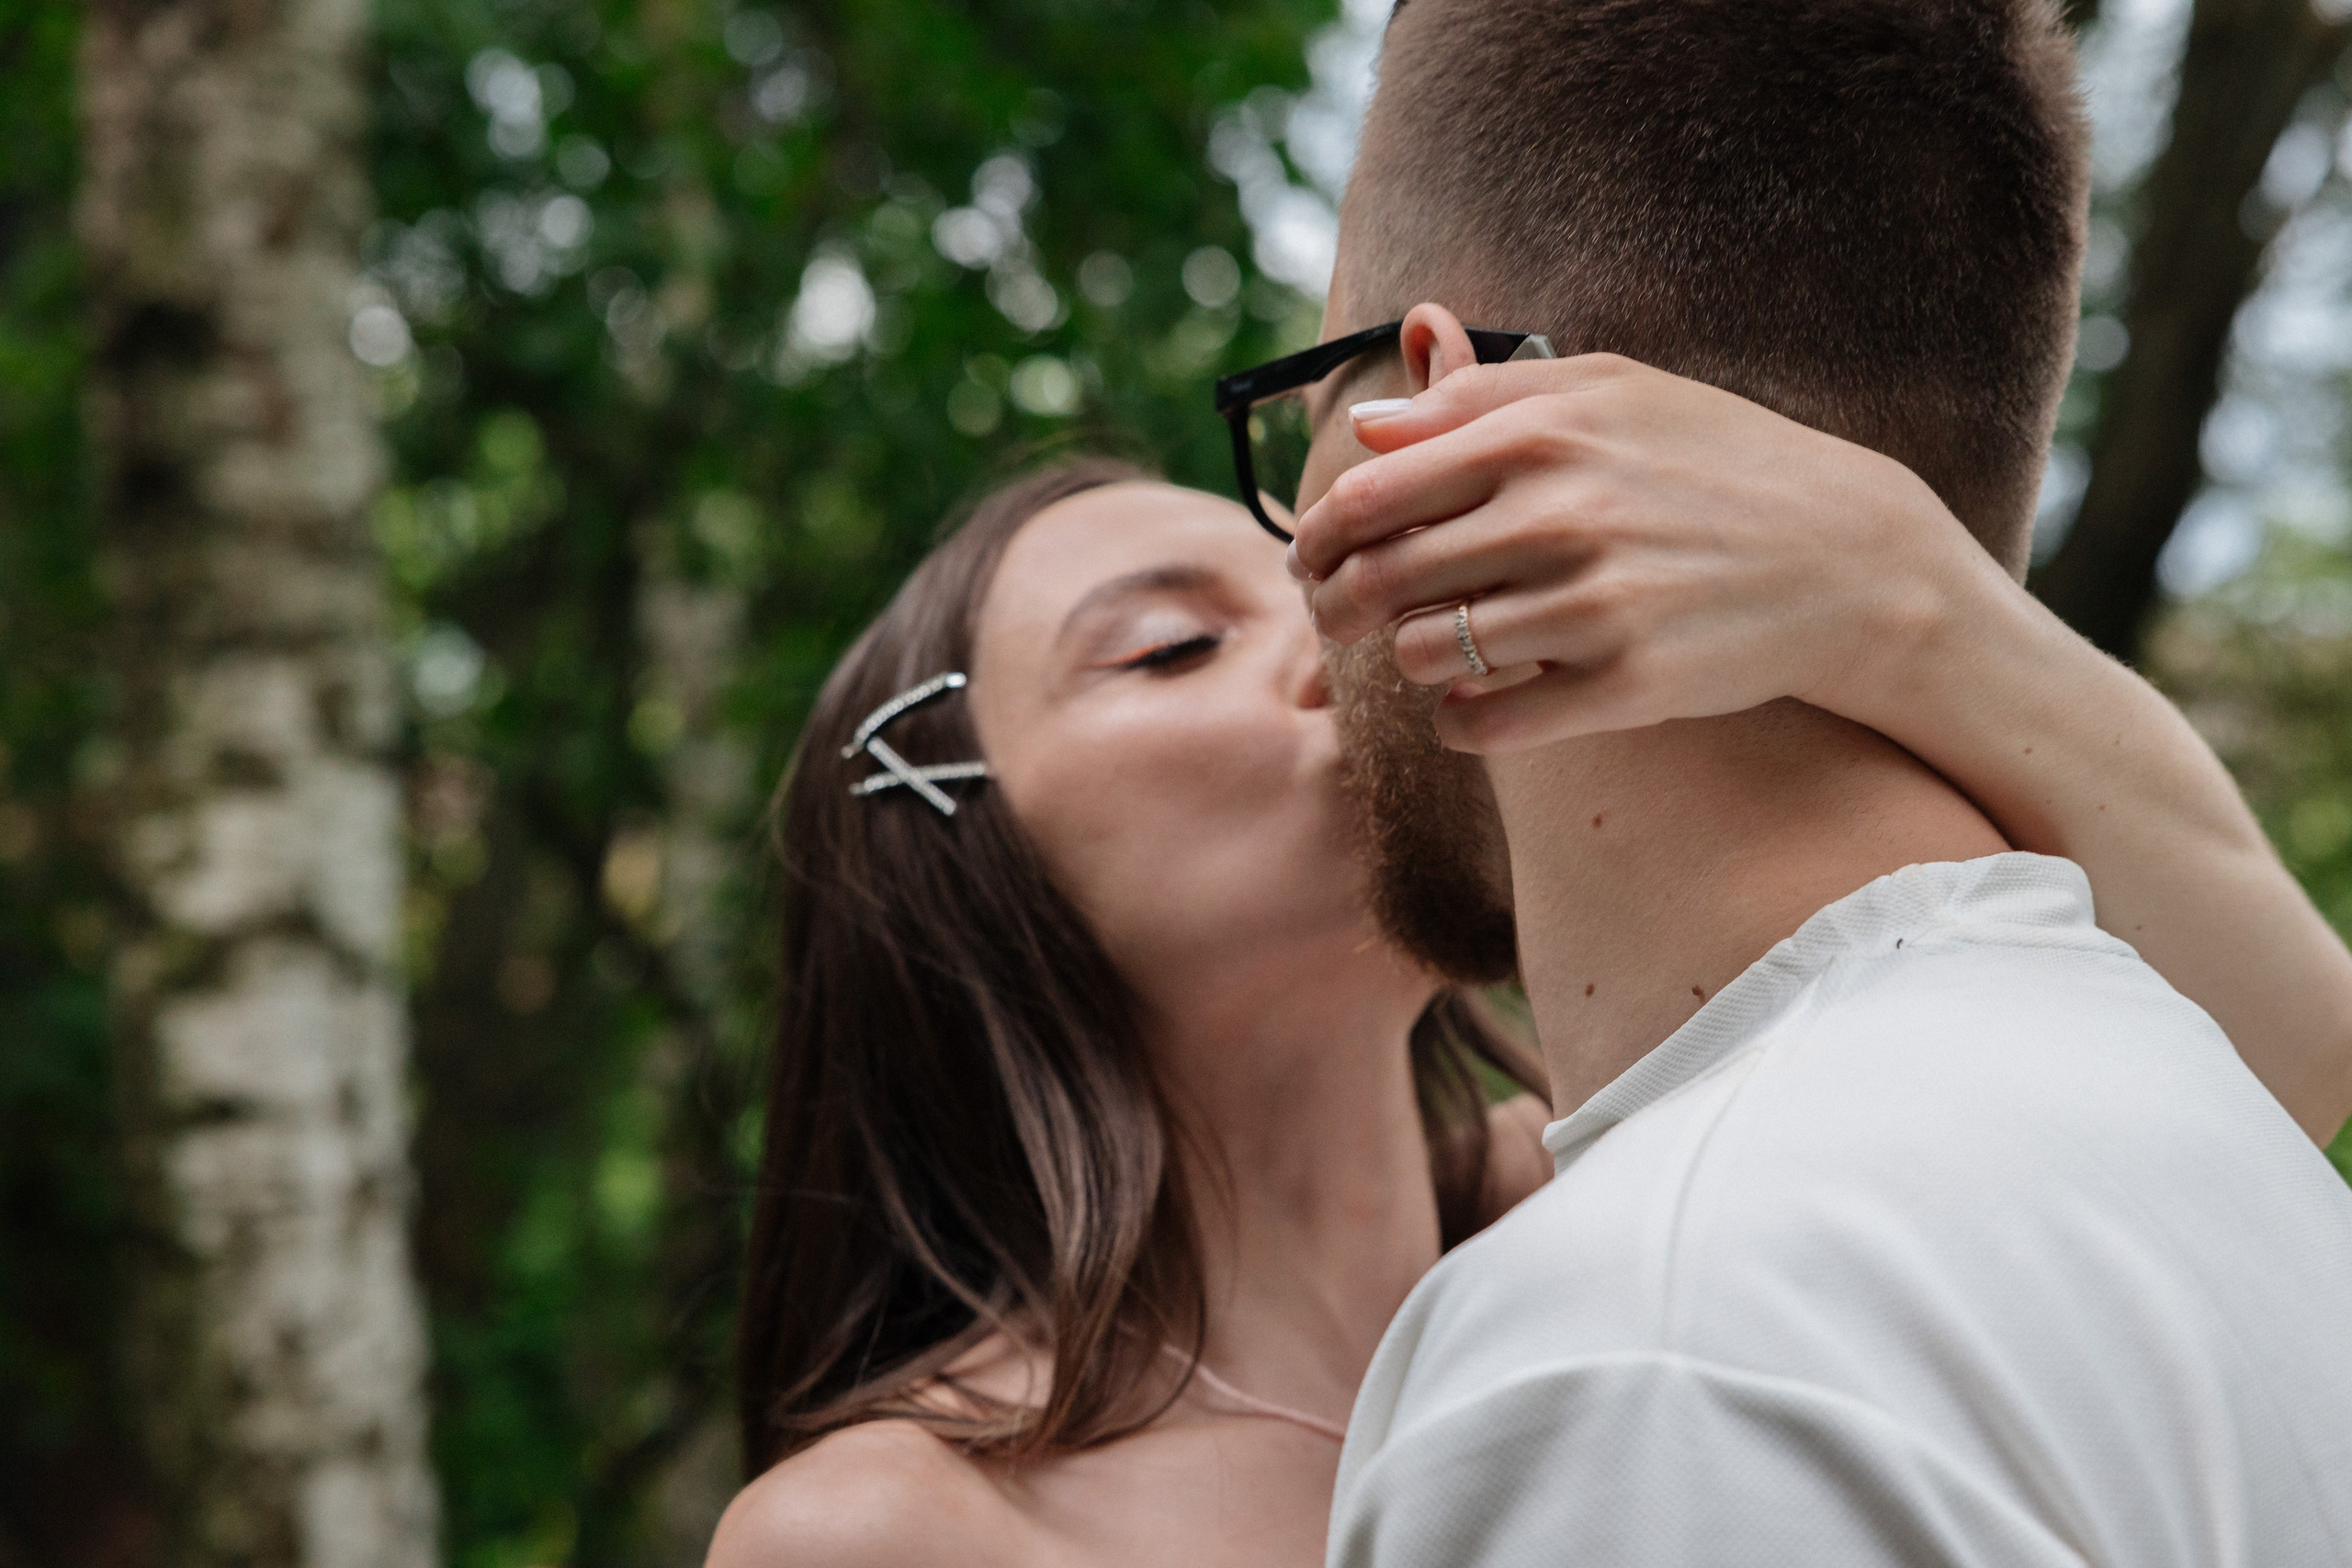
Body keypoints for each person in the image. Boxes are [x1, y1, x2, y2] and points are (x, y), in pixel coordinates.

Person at [706, 453, 2352, 1561]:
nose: (1336, 640)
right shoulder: (886, 1531)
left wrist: (1904, 585)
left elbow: (2274, 1055)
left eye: (1316, 577)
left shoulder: (1666, 1210)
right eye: (1173, 647)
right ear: (949, 840)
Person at [1268, 0, 2352, 1562]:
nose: (1301, 660)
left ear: (1434, 422)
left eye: (1297, 414)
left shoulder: (1654, 1349)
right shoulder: (2223, 1167)